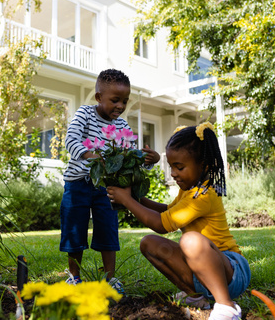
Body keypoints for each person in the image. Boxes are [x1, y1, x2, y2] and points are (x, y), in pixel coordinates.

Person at [106, 122, 250, 320]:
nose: (173, 173)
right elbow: (169, 212)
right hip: (201, 271)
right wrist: (137, 198)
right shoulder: (188, 190)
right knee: (149, 243)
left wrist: (127, 200)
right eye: (171, 166)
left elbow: (162, 224)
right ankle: (197, 297)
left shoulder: (204, 194)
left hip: (231, 272)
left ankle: (226, 306)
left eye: (179, 167)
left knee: (190, 240)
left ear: (204, 165)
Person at [60, 68, 160, 293]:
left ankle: (109, 279)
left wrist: (150, 160)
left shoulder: (122, 126)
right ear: (98, 97)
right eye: (115, 100)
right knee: (74, 228)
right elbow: (71, 140)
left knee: (108, 228)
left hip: (108, 187)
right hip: (78, 183)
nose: (121, 106)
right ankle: (74, 277)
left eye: (124, 101)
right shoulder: (85, 114)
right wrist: (92, 156)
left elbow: (129, 159)